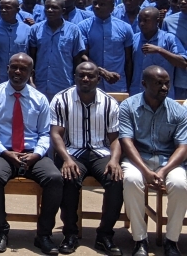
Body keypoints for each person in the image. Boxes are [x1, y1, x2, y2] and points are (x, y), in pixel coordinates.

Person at [0, 52, 63, 254]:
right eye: (13, 67)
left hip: (32, 153)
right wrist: (3, 152)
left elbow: (45, 133)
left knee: (55, 178)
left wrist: (37, 153)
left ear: (31, 72)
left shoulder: (40, 99)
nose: (18, 71)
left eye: (23, 68)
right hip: (3, 152)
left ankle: (43, 235)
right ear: (7, 68)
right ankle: (0, 232)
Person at [50, 62, 124, 256]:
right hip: (72, 153)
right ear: (74, 77)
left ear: (98, 79)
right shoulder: (61, 100)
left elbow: (115, 139)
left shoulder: (109, 103)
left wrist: (114, 160)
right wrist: (65, 158)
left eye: (90, 76)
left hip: (101, 153)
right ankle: (70, 234)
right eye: (81, 75)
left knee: (116, 179)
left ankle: (105, 235)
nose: (85, 79)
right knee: (69, 177)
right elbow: (56, 134)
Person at [120, 66, 187, 256]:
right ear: (144, 84)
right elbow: (126, 141)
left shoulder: (178, 110)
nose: (164, 87)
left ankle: (172, 241)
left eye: (166, 83)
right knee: (132, 180)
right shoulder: (129, 106)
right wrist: (146, 171)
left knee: (180, 184)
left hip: (168, 162)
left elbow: (183, 146)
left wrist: (163, 171)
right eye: (158, 83)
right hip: (138, 160)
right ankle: (140, 240)